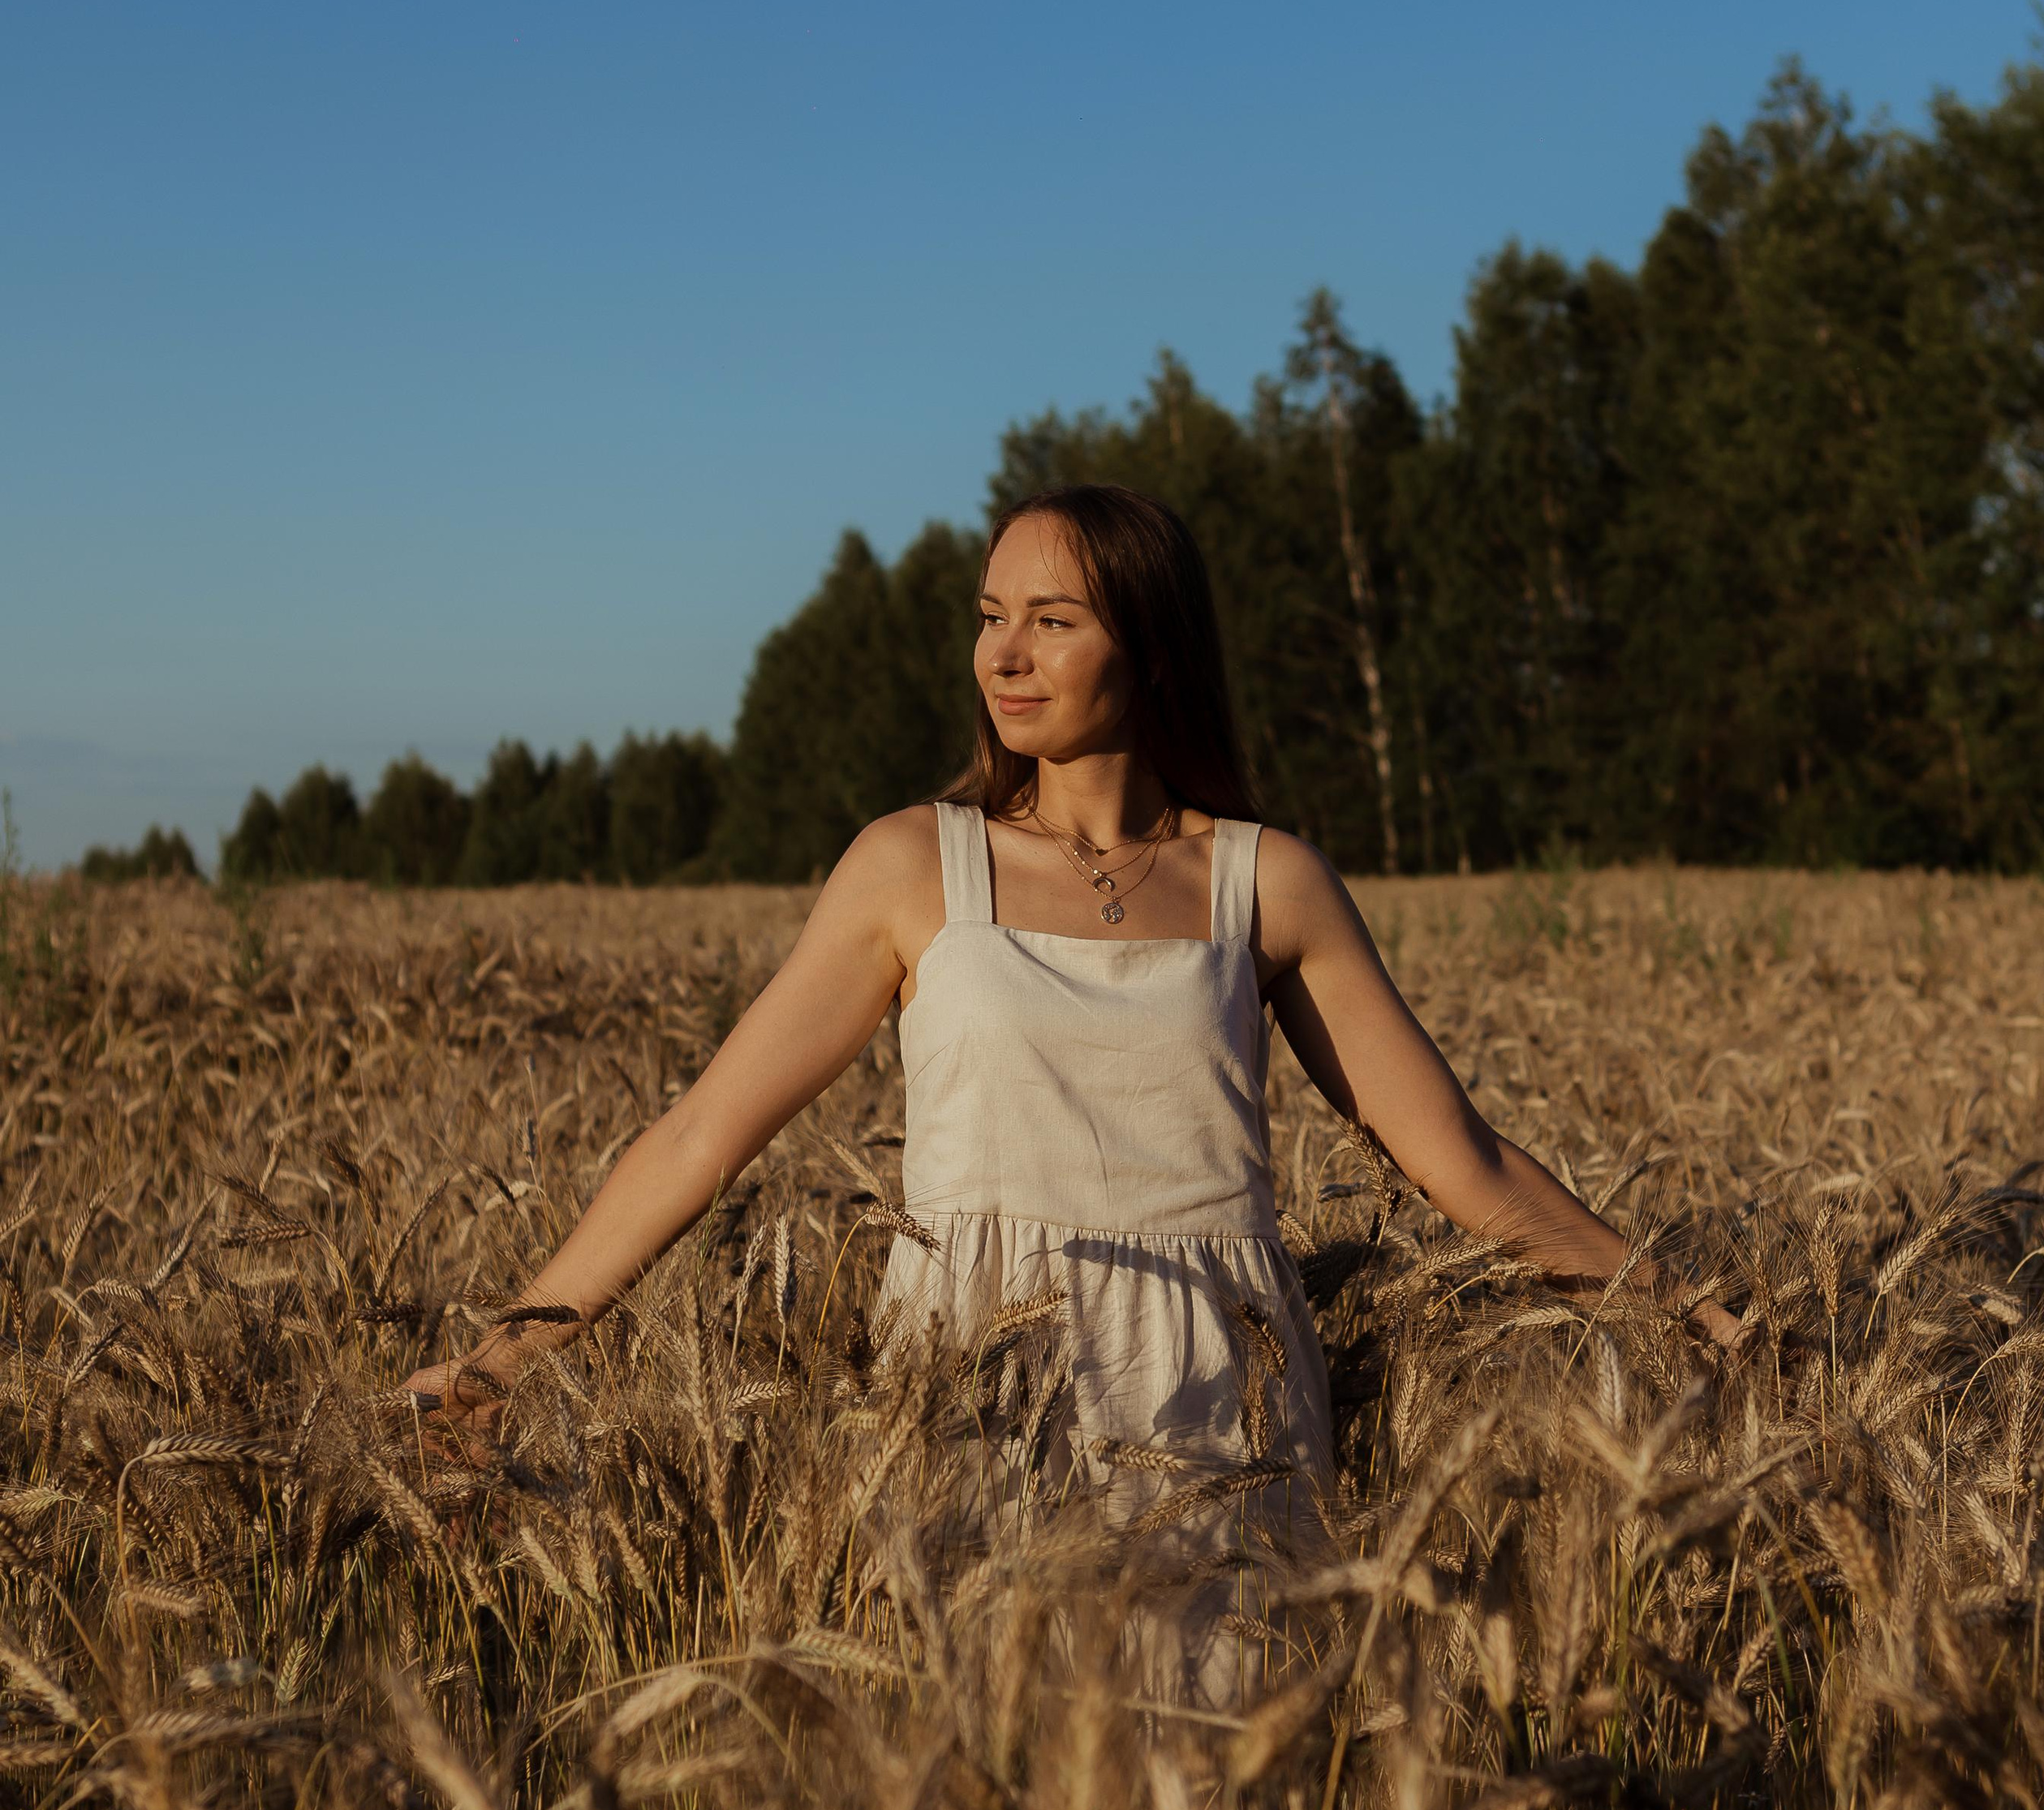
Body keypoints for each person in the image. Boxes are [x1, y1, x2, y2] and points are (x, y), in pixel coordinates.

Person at [404, 485, 1738, 1688]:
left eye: (1052, 619)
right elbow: (702, 1137)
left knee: (1220, 1771)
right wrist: (500, 1356)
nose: (1005, 654)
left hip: (1218, 1387)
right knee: (981, 1775)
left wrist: (1682, 1308)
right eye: (991, 617)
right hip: (975, 1374)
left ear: (1149, 649)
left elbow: (1459, 1157)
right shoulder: (912, 865)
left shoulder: (1266, 883)